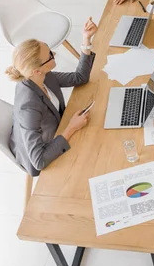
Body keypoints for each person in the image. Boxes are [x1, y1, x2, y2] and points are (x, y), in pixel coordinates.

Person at [6, 18, 98, 177]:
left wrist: (86, 39)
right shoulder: (29, 106)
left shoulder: (43, 77)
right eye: (50, 56)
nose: (54, 54)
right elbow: (38, 161)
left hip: (56, 131)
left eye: (49, 49)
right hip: (45, 154)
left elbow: (80, 77)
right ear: (36, 70)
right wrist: (71, 128)